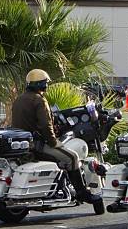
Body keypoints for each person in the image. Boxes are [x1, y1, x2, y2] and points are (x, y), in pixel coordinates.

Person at [11, 69, 100, 204]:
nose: (46, 85)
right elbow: (46, 126)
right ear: (40, 84)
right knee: (72, 157)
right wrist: (54, 142)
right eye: (45, 82)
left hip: (23, 144)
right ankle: (82, 193)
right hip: (37, 145)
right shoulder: (39, 101)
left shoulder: (19, 99)